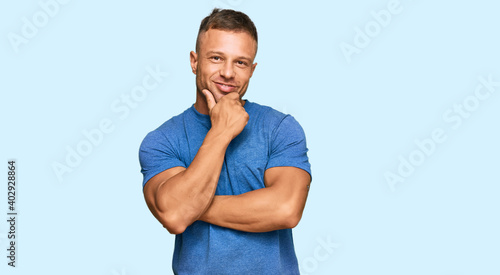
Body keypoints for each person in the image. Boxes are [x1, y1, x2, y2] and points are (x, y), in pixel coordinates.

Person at [139, 8, 312, 274]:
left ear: (252, 69)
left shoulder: (280, 128)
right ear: (194, 61)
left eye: (240, 62)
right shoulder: (162, 140)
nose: (228, 73)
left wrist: (193, 206)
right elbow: (175, 217)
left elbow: (286, 209)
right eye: (217, 58)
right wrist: (221, 131)